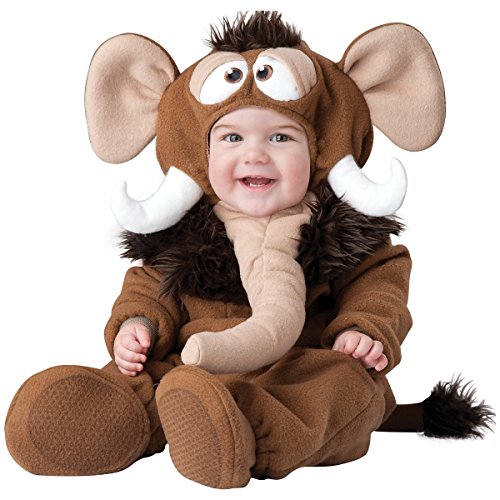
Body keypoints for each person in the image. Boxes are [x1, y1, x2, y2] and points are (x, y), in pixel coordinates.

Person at [5, 11, 492, 489]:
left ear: (320, 150)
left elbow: (379, 290)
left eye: (280, 137)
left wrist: (362, 330)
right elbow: (148, 288)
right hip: (191, 370)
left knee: (344, 387)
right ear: (201, 154)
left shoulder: (347, 237)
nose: (255, 154)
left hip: (298, 366)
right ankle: (116, 417)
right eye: (232, 137)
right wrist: (139, 325)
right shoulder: (181, 235)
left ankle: (252, 435)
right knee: (149, 375)